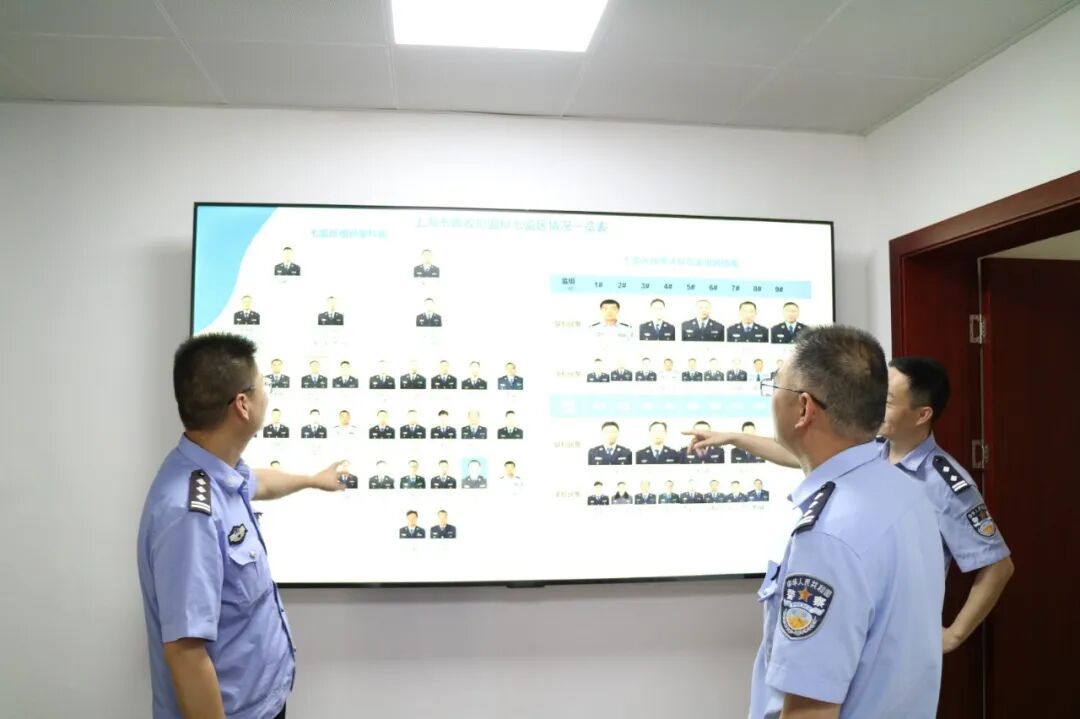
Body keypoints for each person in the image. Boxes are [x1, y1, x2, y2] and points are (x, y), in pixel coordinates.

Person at [686, 326, 945, 716]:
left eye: (775, 386)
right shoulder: (906, 492)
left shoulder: (827, 535)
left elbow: (811, 708)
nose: (771, 396)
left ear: (804, 409)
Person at [137, 333, 344, 719]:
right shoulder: (189, 514)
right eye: (262, 384)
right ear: (242, 405)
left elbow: (259, 482)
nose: (267, 393)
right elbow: (186, 654)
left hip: (262, 703)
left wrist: (313, 480)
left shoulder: (216, 471)